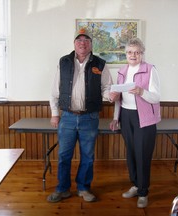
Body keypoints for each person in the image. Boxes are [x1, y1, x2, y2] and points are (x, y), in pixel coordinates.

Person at [48, 28, 113, 203]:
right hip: (67, 117)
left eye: (86, 40)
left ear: (91, 44)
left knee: (88, 157)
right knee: (64, 156)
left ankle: (83, 188)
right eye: (79, 40)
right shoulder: (64, 62)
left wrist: (110, 96)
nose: (82, 43)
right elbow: (55, 90)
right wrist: (55, 114)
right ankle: (63, 189)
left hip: (89, 118)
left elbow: (107, 87)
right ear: (74, 44)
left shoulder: (100, 63)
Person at [109, 38, 161, 208]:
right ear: (125, 54)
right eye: (130, 52)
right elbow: (118, 98)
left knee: (142, 155)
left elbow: (156, 97)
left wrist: (141, 91)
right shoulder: (122, 71)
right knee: (131, 154)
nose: (133, 55)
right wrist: (116, 118)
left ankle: (143, 192)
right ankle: (136, 185)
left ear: (141, 54)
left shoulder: (150, 69)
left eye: (136, 52)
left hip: (144, 118)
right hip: (126, 117)